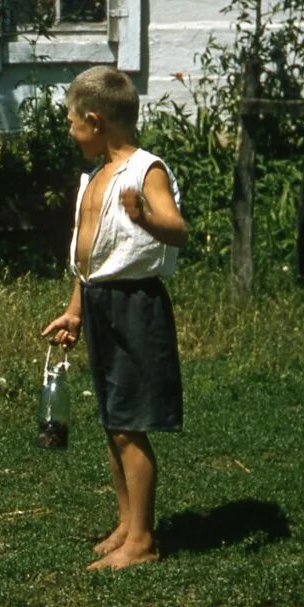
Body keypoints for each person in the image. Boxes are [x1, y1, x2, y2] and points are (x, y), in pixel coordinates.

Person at [41, 66, 187, 571]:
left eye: (71, 120)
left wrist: (146, 217)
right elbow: (89, 257)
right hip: (100, 301)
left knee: (130, 423)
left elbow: (177, 227)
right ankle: (128, 523)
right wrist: (74, 310)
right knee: (112, 420)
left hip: (134, 304)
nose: (68, 128)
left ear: (95, 120)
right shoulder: (95, 175)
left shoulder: (146, 170)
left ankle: (143, 542)